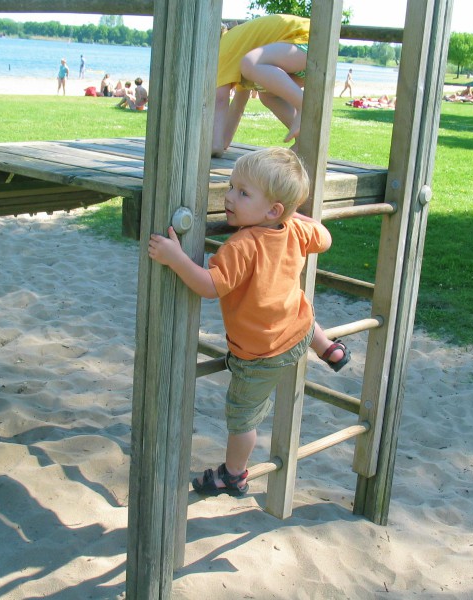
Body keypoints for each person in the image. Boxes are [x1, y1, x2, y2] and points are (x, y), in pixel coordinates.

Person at [147, 147, 345, 497]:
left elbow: (209, 286)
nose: (230, 198)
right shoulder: (293, 229)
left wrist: (175, 258)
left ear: (273, 209)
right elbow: (326, 240)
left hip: (260, 354)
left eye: (243, 193)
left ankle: (233, 474)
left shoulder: (242, 246)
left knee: (242, 415)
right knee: (301, 308)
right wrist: (300, 219)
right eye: (231, 186)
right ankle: (327, 348)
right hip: (297, 330)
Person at [211, 14, 310, 157]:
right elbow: (238, 104)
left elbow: (219, 100)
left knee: (250, 62)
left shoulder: (224, 48)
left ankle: (303, 106)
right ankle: (305, 140)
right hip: (306, 58)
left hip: (308, 41)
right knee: (267, 94)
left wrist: (214, 144)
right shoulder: (238, 46)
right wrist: (220, 142)